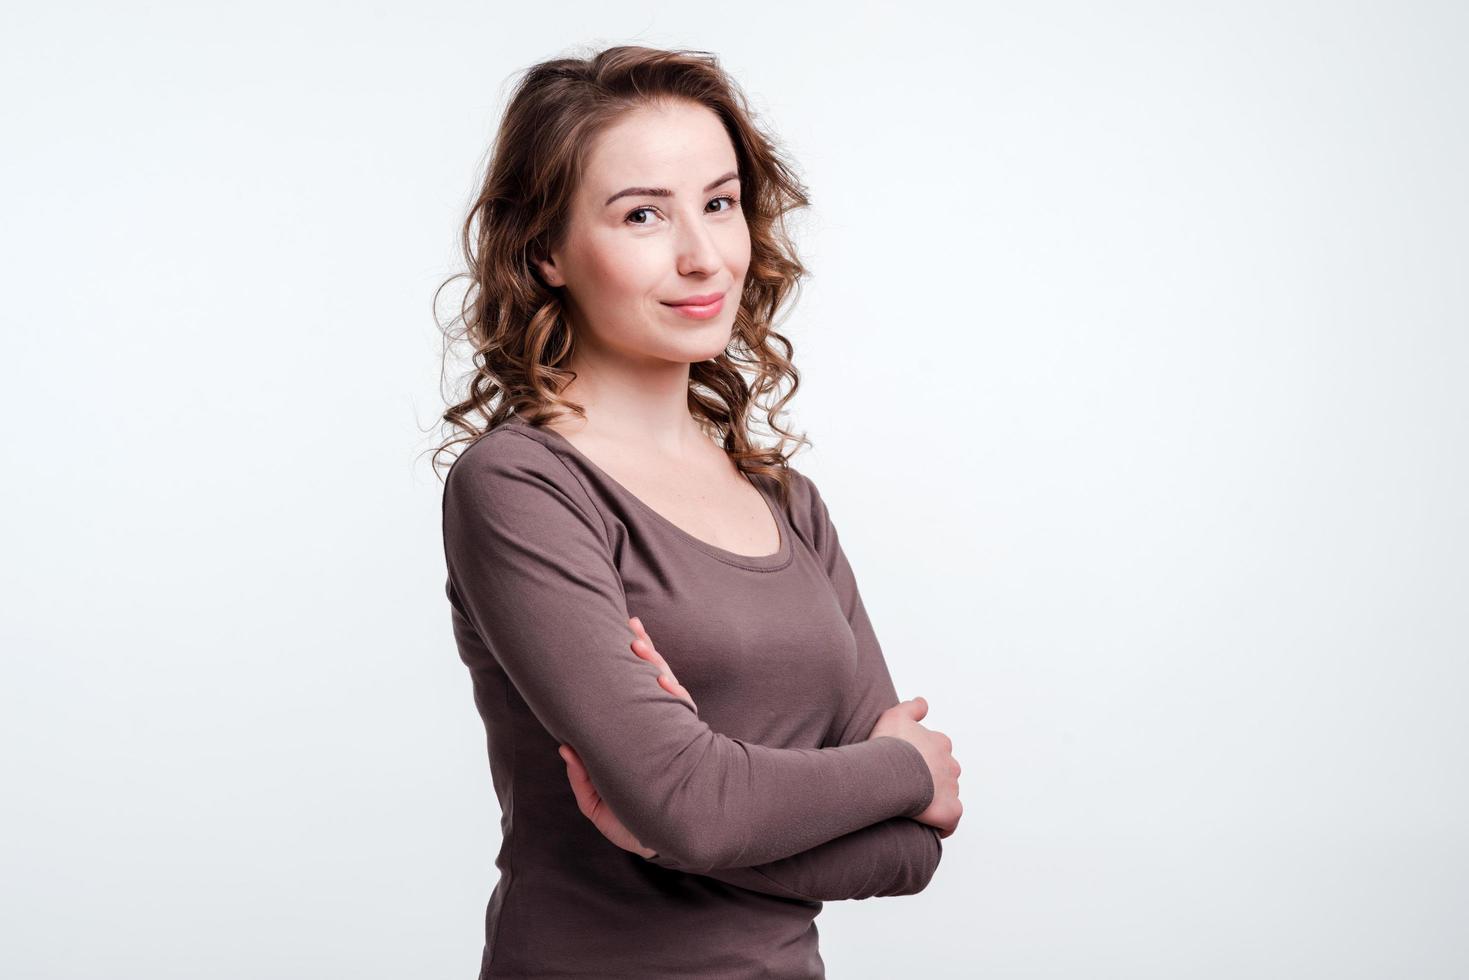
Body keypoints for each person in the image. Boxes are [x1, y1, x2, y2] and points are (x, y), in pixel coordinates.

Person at [434, 44, 963, 979]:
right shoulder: (522, 486)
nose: (701, 255)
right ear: (545, 250)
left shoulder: (788, 505)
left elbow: (910, 851)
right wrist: (905, 769)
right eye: (642, 214)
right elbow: (701, 801)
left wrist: (676, 830)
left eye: (718, 204)